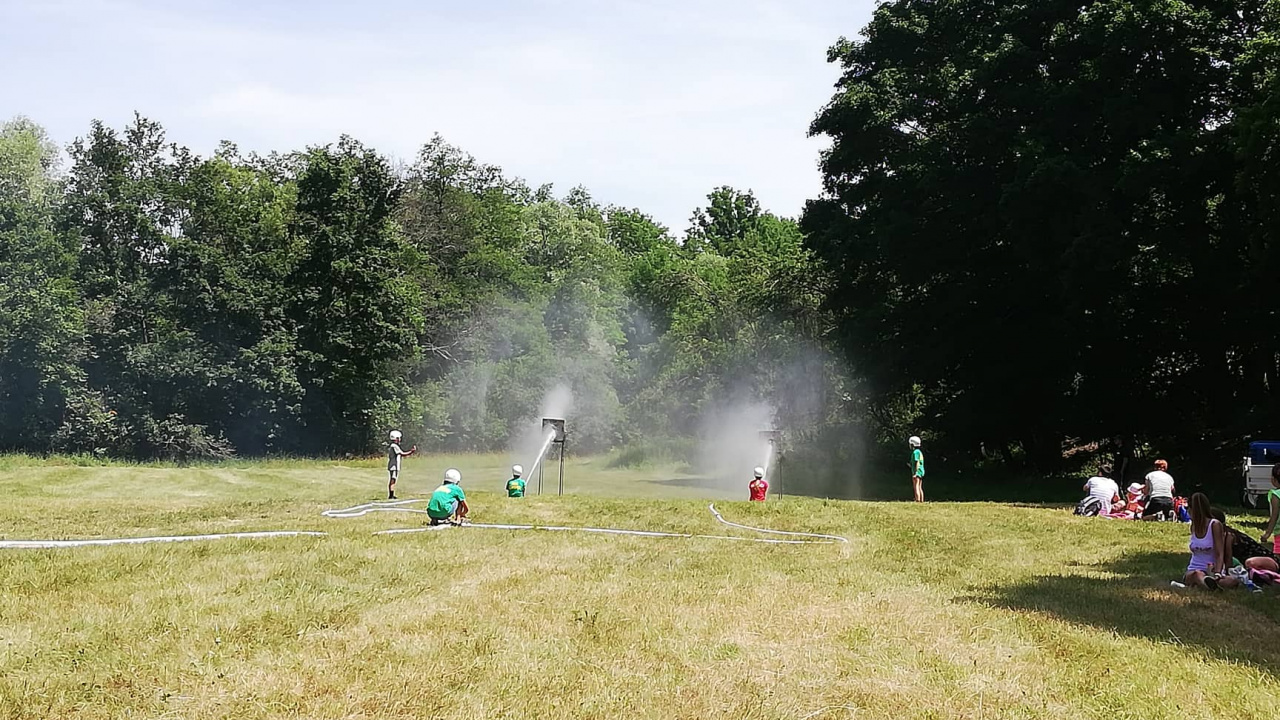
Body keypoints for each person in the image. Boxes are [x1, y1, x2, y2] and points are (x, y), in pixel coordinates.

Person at [1183, 493, 1239, 590]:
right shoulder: (1193, 527)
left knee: (1232, 581)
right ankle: (1210, 586)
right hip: (1194, 570)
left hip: (1212, 570)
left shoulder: (1215, 525)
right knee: (1197, 574)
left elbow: (1219, 552)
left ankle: (1208, 583)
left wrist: (1217, 572)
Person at [1257, 464, 1280, 571]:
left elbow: (1274, 516)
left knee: (1278, 557)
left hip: (1279, 532)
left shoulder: (1275, 494)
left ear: (1273, 480)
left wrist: (1267, 533)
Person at [386, 430, 417, 500]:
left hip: (394, 465)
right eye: (398, 438)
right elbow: (402, 454)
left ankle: (391, 494)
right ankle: (391, 495)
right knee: (393, 479)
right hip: (394, 466)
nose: (399, 439)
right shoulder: (394, 446)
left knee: (393, 479)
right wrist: (411, 451)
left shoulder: (394, 446)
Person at [909, 436, 925, 503]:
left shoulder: (915, 452)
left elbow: (917, 462)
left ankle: (917, 500)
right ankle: (921, 500)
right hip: (921, 471)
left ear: (913, 444)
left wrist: (915, 473)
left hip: (917, 472)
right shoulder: (919, 452)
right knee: (919, 486)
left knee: (916, 486)